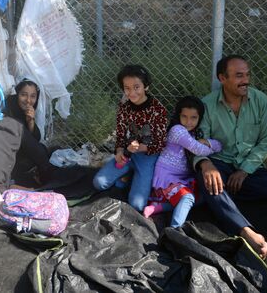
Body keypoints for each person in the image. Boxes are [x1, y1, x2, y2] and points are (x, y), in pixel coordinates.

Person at [194, 55, 267, 259]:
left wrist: (244, 170)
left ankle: (219, 200)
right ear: (222, 78)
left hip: (247, 166)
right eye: (239, 76)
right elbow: (198, 142)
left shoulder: (260, 100)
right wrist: (205, 164)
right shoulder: (206, 105)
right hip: (220, 163)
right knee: (207, 179)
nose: (246, 80)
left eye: (248, 74)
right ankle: (246, 231)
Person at [93, 65, 168, 212]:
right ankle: (128, 173)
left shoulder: (158, 110)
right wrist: (120, 152)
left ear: (146, 86)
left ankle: (131, 177)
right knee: (99, 183)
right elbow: (120, 134)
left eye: (136, 87)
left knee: (137, 204)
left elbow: (160, 144)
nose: (132, 92)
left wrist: (139, 148)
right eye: (127, 88)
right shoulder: (124, 107)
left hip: (148, 155)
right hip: (128, 152)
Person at [144, 96, 222, 227]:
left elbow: (218, 145)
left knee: (203, 197)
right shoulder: (177, 131)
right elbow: (199, 150)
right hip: (167, 177)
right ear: (178, 116)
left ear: (199, 118)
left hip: (182, 178)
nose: (188, 122)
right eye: (184, 116)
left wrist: (208, 142)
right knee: (188, 198)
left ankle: (158, 207)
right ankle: (175, 230)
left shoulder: (193, 134)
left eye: (193, 118)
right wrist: (210, 145)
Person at [0, 79, 54, 192]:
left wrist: (30, 121)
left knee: (43, 150)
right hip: (9, 156)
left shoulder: (28, 111)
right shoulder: (8, 109)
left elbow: (35, 139)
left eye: (33, 96)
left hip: (22, 153)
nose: (28, 100)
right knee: (40, 153)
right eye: (23, 95)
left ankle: (42, 178)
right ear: (17, 94)